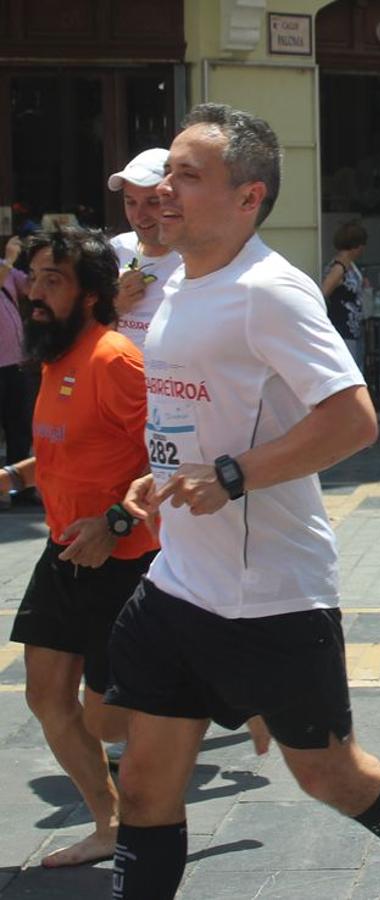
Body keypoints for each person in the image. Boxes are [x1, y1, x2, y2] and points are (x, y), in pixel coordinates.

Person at [107, 103, 380, 900]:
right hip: (179, 587)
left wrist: (230, 476)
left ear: (249, 196)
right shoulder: (177, 283)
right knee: (146, 785)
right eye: (166, 176)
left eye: (188, 178)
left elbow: (352, 418)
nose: (165, 193)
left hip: (271, 598)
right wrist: (160, 472)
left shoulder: (271, 291)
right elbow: (195, 412)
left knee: (329, 774)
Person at [4, 229, 156, 868]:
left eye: (52, 281)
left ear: (92, 295)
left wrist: (115, 522)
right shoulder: (56, 358)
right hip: (67, 552)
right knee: (45, 694)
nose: (35, 293)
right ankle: (111, 823)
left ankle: (241, 692)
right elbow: (73, 447)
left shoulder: (115, 359)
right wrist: (15, 476)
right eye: (34, 278)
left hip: (126, 558)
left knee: (113, 719)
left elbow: (170, 459)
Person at [108, 148, 184, 352]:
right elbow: (87, 335)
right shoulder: (115, 250)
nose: (139, 215)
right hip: (120, 381)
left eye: (152, 202)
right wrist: (115, 307)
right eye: (130, 202)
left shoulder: (196, 259)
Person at [0, 235, 30, 502]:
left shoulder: (6, 270)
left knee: (19, 427)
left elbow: (33, 289)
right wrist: (9, 260)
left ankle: (19, 488)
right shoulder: (3, 269)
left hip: (15, 364)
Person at [321, 220, 368, 371]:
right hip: (343, 326)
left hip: (354, 328)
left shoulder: (350, 266)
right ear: (356, 246)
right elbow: (324, 292)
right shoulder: (339, 268)